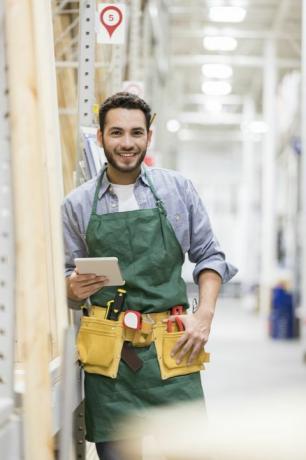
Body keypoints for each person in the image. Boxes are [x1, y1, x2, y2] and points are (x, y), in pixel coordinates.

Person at [62, 92, 237, 460]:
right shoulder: (77, 205)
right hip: (110, 362)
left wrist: (204, 316)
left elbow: (210, 257)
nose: (127, 143)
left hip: (172, 351)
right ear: (100, 137)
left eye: (136, 133)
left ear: (148, 137)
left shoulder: (177, 191)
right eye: (117, 133)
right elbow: (65, 278)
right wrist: (72, 288)